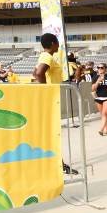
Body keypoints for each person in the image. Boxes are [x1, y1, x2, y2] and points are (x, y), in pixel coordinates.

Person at [34, 33, 78, 175]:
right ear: (53, 43)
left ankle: (58, 163)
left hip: (50, 99)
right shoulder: (47, 56)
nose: (59, 44)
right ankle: (59, 165)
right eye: (57, 41)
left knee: (53, 133)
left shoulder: (45, 56)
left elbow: (35, 73)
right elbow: (39, 74)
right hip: (50, 100)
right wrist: (46, 92)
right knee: (54, 133)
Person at [92, 63, 107, 136]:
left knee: (104, 113)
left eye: (101, 68)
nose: (99, 69)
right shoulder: (95, 77)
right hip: (98, 98)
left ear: (105, 69)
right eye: (98, 67)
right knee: (102, 115)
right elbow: (93, 89)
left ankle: (101, 130)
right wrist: (98, 81)